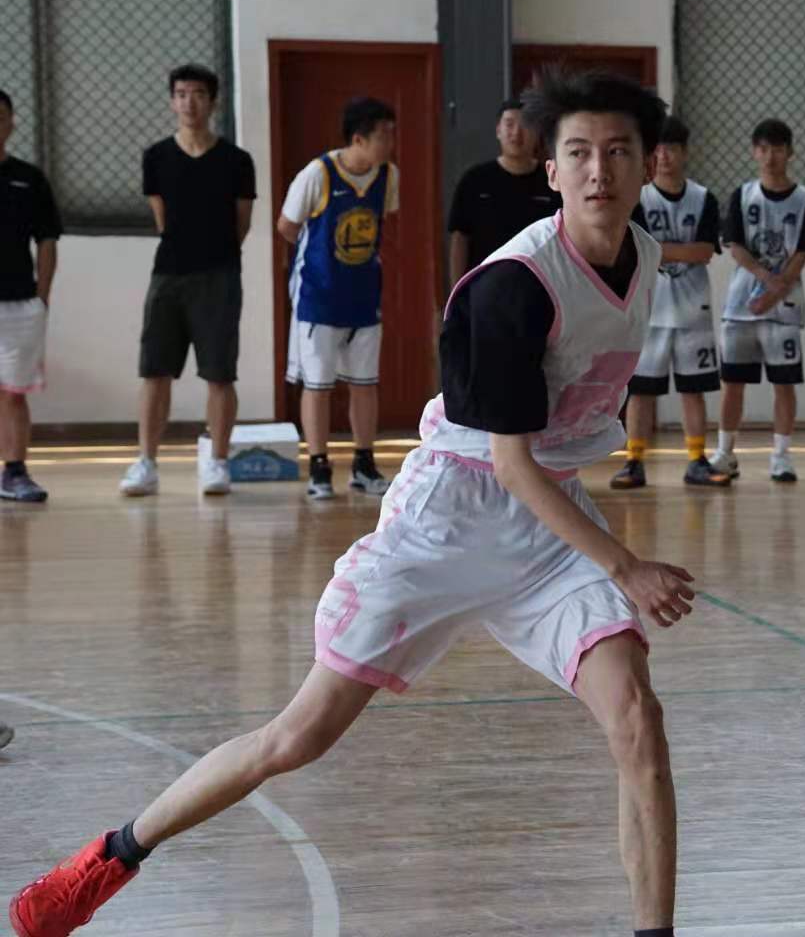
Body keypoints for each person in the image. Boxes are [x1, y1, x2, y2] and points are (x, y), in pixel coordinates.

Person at [8, 70, 696, 937]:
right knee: (295, 739)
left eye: (620, 152)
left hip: (547, 529)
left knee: (637, 720)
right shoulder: (515, 286)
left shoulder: (645, 257)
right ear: (551, 170)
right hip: (449, 521)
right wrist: (626, 567)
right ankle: (109, 856)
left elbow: (549, 459)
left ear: (648, 164)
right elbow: (510, 464)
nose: (601, 170)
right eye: (580, 153)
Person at [120, 65, 256, 498]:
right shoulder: (156, 157)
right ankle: (146, 463)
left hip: (219, 275)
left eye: (197, 94)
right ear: (172, 101)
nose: (189, 102)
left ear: (213, 101)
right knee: (154, 371)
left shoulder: (236, 161)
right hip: (168, 275)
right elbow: (163, 219)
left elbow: (241, 224)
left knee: (219, 373)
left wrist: (214, 253)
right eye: (180, 94)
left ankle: (218, 462)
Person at [278, 97, 398, 500]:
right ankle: (318, 466)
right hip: (318, 297)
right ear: (359, 139)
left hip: (364, 296)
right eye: (384, 135)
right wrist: (317, 259)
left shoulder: (388, 176)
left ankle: (364, 464)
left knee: (365, 383)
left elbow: (382, 223)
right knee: (318, 384)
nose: (391, 143)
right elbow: (286, 225)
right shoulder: (318, 174)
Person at [612, 114, 731, 489]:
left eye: (673, 149)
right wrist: (677, 250)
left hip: (693, 310)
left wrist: (660, 249)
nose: (664, 156)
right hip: (649, 310)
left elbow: (704, 251)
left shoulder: (703, 198)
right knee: (641, 391)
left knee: (694, 389)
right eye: (659, 149)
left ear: (685, 153)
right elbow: (636, 248)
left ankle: (697, 459)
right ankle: (634, 461)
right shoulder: (639, 196)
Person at [713, 118, 805, 483]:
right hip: (741, 306)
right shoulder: (743, 196)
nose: (770, 156)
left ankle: (782, 456)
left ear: (790, 152)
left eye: (777, 148)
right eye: (763, 148)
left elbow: (802, 253)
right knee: (732, 383)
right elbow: (736, 247)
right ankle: (725, 452)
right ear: (754, 152)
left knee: (783, 383)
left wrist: (774, 293)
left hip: (784, 308)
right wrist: (763, 279)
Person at [0, 88, 60, 503]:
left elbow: (48, 240)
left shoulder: (29, 178)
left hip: (20, 303)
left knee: (13, 391)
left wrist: (42, 297)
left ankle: (15, 472)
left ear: (11, 123)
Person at [447, 98, 561, 285]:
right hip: (483, 285)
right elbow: (460, 239)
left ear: (537, 133)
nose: (516, 132)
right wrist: (457, 289)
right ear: (498, 130)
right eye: (509, 124)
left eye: (525, 125)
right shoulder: (475, 180)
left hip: (539, 285)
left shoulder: (553, 181)